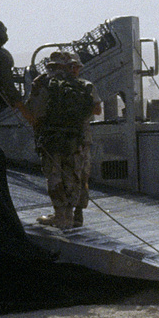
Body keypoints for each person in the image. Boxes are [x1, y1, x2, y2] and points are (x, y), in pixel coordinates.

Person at [27, 50, 101, 229]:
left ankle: (61, 217)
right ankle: (76, 216)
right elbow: (97, 110)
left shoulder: (46, 86)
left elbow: (34, 113)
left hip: (52, 139)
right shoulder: (85, 85)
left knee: (55, 176)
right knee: (78, 176)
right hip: (79, 138)